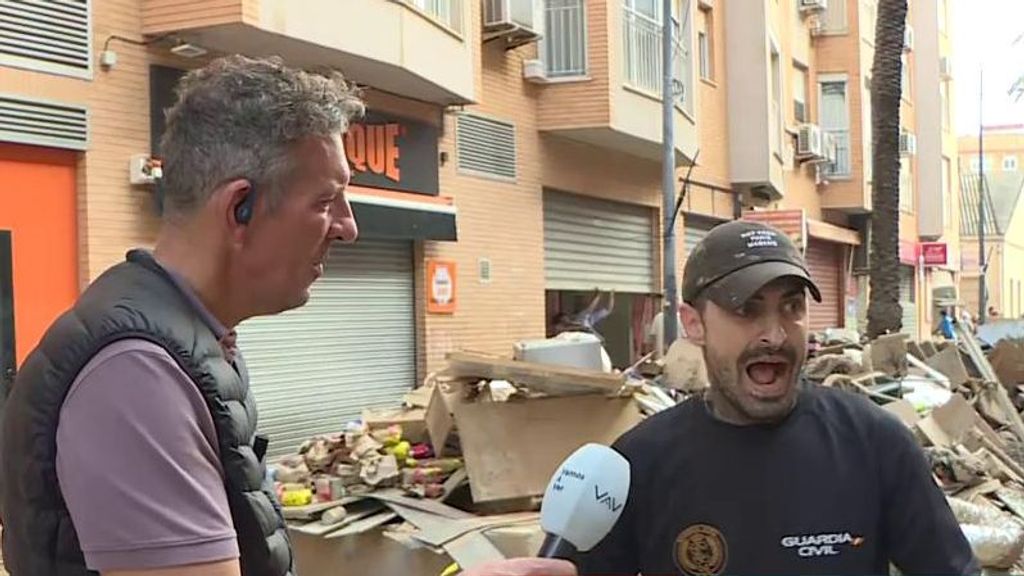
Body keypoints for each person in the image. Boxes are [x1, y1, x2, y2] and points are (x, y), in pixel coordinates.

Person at [0, 55, 574, 576]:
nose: (348, 227)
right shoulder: (136, 379)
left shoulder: (188, 342)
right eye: (326, 202)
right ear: (239, 208)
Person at [575, 220, 979, 576]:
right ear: (694, 324)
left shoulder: (875, 444)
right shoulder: (639, 464)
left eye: (791, 307)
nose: (776, 334)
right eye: (747, 310)